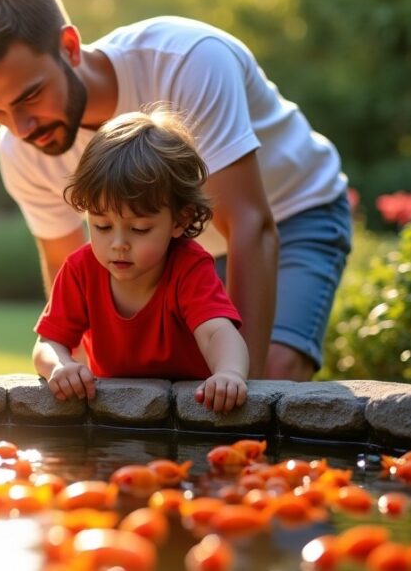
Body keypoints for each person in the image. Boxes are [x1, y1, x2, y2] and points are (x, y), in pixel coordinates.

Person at [0, 0, 351, 381]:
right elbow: (68, 271)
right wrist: (76, 378)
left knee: (271, 374)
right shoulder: (21, 149)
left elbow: (249, 224)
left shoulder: (189, 61)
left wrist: (248, 393)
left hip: (291, 212)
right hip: (162, 250)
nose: (20, 128)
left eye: (29, 97)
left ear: (70, 47)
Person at [33, 110, 249, 412]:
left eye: (139, 228)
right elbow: (48, 344)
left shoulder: (188, 266)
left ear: (179, 220)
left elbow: (217, 332)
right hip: (113, 415)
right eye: (102, 226)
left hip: (192, 414)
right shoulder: (80, 270)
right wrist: (60, 366)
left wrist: (229, 373)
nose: (119, 244)